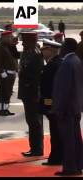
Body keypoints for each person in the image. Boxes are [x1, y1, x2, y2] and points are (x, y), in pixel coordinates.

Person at [52, 38, 83, 176]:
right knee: (76, 138)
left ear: (67, 47)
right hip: (75, 106)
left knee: (68, 139)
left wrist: (59, 108)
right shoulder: (77, 61)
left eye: (63, 46)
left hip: (67, 108)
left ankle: (70, 168)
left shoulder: (67, 63)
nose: (61, 48)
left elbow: (63, 89)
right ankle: (77, 164)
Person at [18, 32, 44, 157]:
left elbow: (35, 75)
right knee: (31, 121)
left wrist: (28, 84)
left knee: (34, 122)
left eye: (25, 41)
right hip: (27, 92)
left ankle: (37, 149)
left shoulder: (35, 54)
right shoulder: (27, 52)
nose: (22, 43)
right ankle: (34, 147)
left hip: (33, 93)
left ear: (32, 41)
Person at [39, 39, 63, 166]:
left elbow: (51, 87)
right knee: (57, 131)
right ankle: (58, 156)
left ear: (51, 50)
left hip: (52, 102)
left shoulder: (53, 65)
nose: (43, 52)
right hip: (56, 102)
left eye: (45, 50)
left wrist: (48, 105)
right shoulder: (57, 63)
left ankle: (56, 158)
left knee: (55, 131)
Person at [0, 31, 18, 116]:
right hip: (4, 73)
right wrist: (2, 71)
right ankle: (2, 109)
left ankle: (6, 108)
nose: (11, 39)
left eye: (11, 37)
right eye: (9, 37)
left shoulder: (9, 47)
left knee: (8, 92)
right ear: (4, 38)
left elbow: (15, 58)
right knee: (3, 92)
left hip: (11, 73)